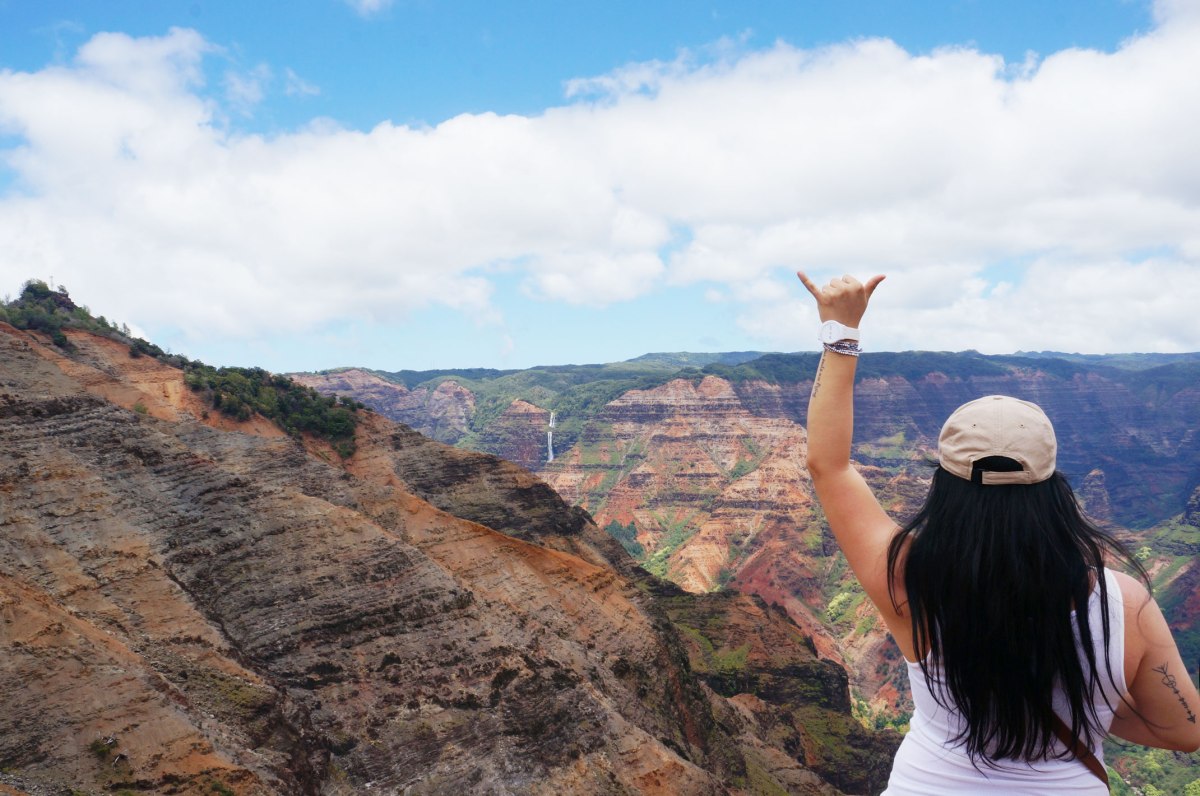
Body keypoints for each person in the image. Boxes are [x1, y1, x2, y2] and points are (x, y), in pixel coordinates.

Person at [796, 272, 1200, 794]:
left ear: (943, 485)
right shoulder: (1128, 605)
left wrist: (841, 330)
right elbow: (1185, 731)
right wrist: (1095, 710)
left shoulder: (908, 580)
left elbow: (828, 465)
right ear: (1053, 486)